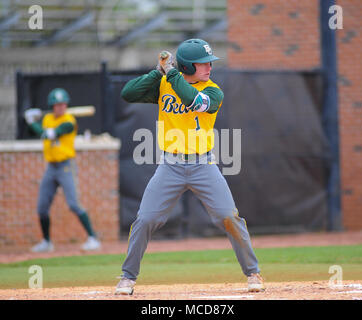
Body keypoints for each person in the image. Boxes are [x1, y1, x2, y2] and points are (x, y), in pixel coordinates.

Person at [115, 39, 264, 295]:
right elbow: (128, 93)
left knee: (229, 216)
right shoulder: (165, 84)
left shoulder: (213, 90)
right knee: (145, 219)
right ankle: (127, 277)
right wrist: (158, 72)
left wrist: (172, 73)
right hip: (169, 166)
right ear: (187, 65)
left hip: (203, 164)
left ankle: (253, 272)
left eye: (209, 63)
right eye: (203, 63)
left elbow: (194, 101)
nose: (209, 67)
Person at [24, 88, 101, 252]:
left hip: (66, 166)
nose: (60, 107)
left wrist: (31, 122)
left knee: (74, 204)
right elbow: (35, 132)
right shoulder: (47, 118)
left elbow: (50, 135)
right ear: (52, 106)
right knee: (42, 207)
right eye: (57, 104)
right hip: (50, 167)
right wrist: (32, 122)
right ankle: (46, 242)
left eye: (62, 104)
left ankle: (93, 238)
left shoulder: (69, 121)